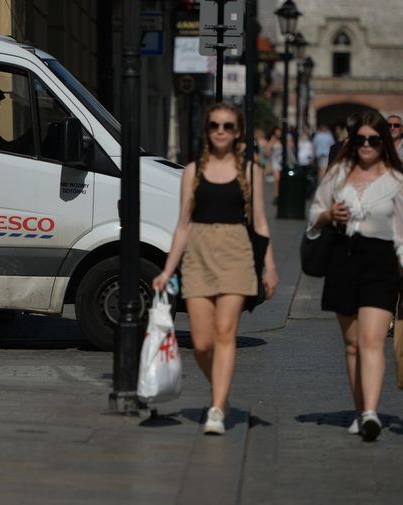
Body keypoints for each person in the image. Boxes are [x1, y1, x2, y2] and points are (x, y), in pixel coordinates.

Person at [152, 102, 278, 436]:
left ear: (238, 133)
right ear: (207, 131)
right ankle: (220, 390)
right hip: (198, 255)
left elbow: (261, 223)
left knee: (225, 332)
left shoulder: (250, 171)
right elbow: (182, 224)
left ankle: (217, 407)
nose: (220, 131)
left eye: (227, 126)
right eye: (214, 126)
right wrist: (167, 270)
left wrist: (269, 267)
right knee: (202, 342)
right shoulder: (193, 171)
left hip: (237, 252)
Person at [307, 110, 403, 442]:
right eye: (361, 139)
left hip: (381, 263)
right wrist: (329, 214)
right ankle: (360, 412)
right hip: (343, 260)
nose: (367, 145)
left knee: (373, 341)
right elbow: (314, 217)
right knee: (353, 345)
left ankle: (371, 413)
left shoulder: (396, 181)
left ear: (384, 142)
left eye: (374, 139)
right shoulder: (338, 175)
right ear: (352, 141)